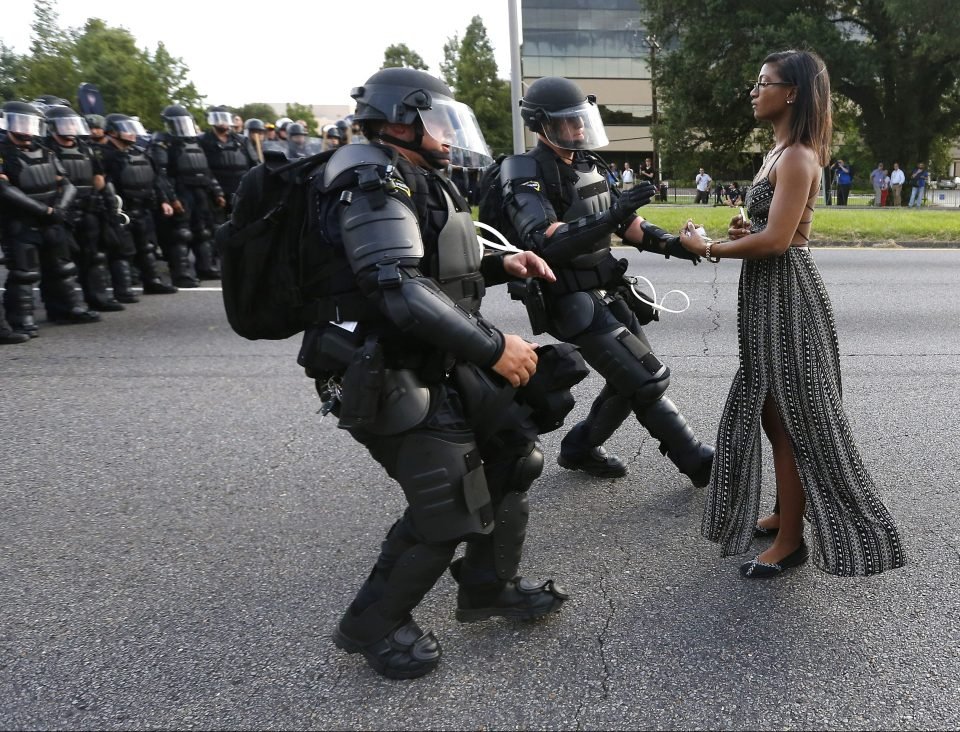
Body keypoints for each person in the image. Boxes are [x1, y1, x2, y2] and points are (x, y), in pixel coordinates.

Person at [285, 67, 569, 679]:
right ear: (399, 119)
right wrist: (496, 349)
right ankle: (371, 624)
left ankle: (489, 585)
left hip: (433, 356)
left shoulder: (411, 174)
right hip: (382, 367)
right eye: (436, 117)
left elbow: (432, 267)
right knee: (448, 503)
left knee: (513, 453)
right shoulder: (368, 178)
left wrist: (501, 264)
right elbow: (397, 287)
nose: (447, 131)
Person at [678, 49, 905, 578]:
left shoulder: (800, 155)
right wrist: (742, 233)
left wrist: (707, 247)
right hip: (766, 294)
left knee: (792, 419)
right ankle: (785, 511)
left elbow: (779, 241)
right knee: (769, 409)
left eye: (765, 82)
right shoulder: (777, 153)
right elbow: (768, 229)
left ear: (793, 92)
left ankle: (791, 540)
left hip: (787, 295)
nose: (755, 91)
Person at [498, 75, 714, 485]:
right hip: (567, 297)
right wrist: (613, 216)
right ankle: (697, 461)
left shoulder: (587, 164)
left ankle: (580, 448)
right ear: (542, 124)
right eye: (569, 121)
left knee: (630, 380)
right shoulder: (523, 169)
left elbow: (628, 223)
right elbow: (541, 239)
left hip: (606, 288)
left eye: (582, 119)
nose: (579, 128)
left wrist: (676, 245)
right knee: (647, 378)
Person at [0, 101, 102, 336]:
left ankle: (69, 308)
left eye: (29, 122)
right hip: (21, 221)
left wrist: (59, 209)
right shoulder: (4, 153)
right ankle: (21, 319)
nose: (25, 129)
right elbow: (5, 190)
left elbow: (67, 184)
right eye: (20, 122)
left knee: (63, 267)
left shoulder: (46, 151)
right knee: (24, 273)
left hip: (53, 218)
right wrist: (44, 211)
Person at [43, 104, 125, 312]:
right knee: (61, 263)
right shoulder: (45, 149)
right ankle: (62, 307)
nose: (70, 128)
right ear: (53, 127)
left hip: (88, 209)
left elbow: (98, 178)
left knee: (94, 256)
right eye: (65, 124)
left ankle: (97, 298)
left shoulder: (85, 147)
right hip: (61, 212)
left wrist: (107, 204)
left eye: (72, 123)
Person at [100, 113, 179, 298]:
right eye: (126, 130)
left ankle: (153, 282)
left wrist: (164, 201)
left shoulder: (141, 153)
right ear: (112, 132)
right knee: (122, 251)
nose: (132, 134)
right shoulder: (104, 155)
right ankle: (123, 290)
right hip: (121, 210)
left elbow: (156, 179)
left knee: (147, 247)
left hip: (143, 207)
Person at [149, 104, 226, 284]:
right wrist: (171, 198)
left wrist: (217, 192)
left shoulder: (195, 142)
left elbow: (206, 170)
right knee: (180, 234)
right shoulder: (163, 143)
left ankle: (205, 267)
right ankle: (181, 274)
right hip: (180, 190)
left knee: (204, 232)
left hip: (200, 191)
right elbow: (161, 175)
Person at [199, 106, 258, 220]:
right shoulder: (203, 140)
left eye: (225, 118)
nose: (222, 122)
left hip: (241, 190)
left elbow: (255, 164)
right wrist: (216, 191)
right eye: (218, 118)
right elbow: (202, 168)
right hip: (215, 192)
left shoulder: (242, 140)